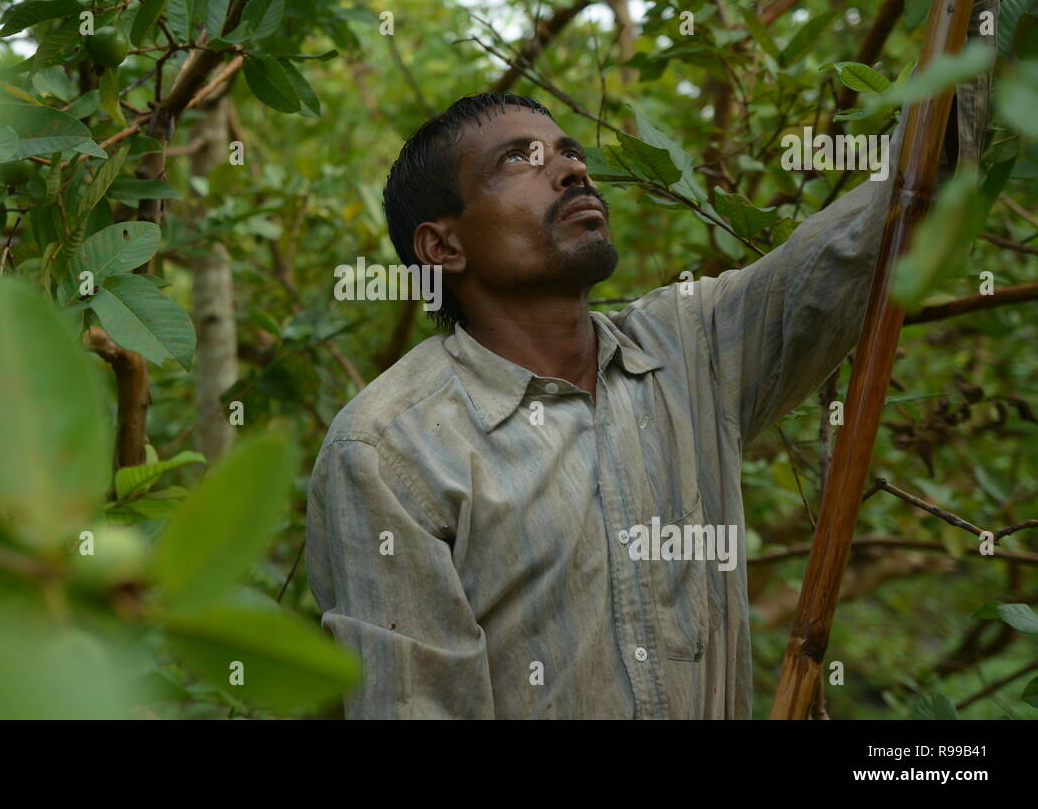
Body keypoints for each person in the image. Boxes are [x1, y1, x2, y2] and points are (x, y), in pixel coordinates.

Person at [304, 90, 906, 718]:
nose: (572, 170)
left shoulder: (693, 347)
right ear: (443, 249)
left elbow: (883, 226)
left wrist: (972, 25)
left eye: (570, 153)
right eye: (518, 160)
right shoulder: (390, 450)